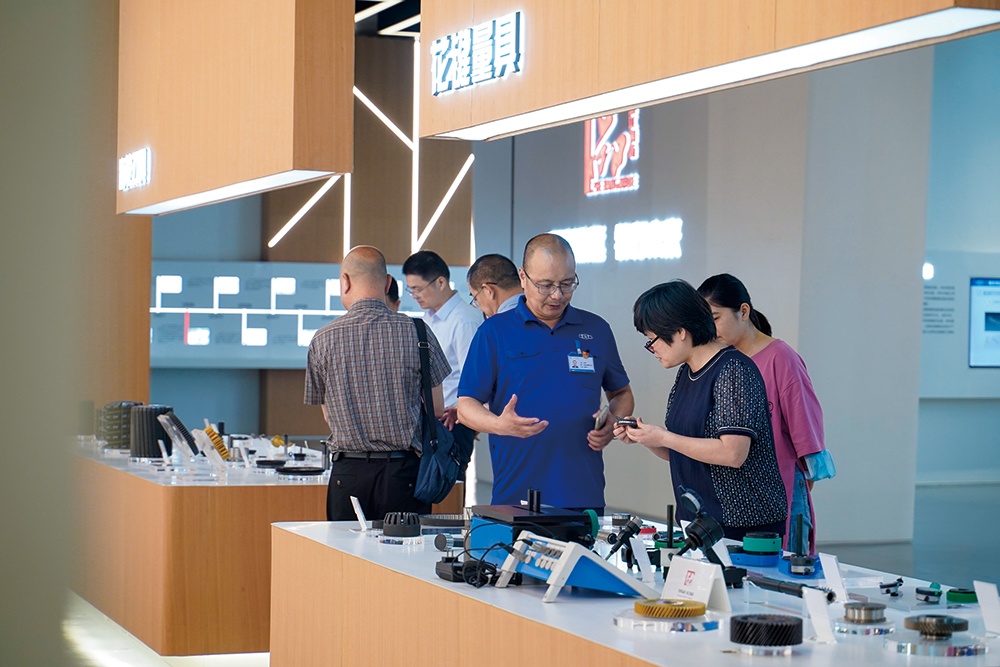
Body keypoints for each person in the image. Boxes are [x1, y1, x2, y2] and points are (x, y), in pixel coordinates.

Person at [457, 234, 634, 513]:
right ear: (523, 277)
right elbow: (466, 406)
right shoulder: (494, 332)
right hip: (515, 495)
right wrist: (499, 425)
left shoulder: (596, 329)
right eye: (546, 285)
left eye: (567, 284)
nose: (557, 295)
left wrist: (612, 423)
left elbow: (621, 393)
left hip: (582, 495)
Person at [615, 279, 787, 541]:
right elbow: (683, 452)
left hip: (742, 526)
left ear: (680, 331)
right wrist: (646, 438)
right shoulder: (686, 373)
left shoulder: (733, 370)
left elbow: (732, 453)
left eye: (653, 340)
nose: (652, 349)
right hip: (699, 523)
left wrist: (663, 437)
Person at [305, 246, 450, 521]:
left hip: (347, 474)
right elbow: (438, 408)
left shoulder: (322, 339)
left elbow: (327, 415)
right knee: (403, 548)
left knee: (344, 548)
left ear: (345, 282)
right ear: (387, 283)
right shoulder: (418, 332)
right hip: (404, 475)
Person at [697, 273, 834, 553]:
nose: (711, 329)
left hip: (781, 491)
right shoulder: (723, 362)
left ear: (743, 311)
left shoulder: (780, 357)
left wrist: (793, 488)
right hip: (736, 499)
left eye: (716, 318)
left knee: (782, 567)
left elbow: (805, 427)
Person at [402, 250, 482, 478]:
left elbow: (474, 379)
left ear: (440, 282)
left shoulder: (464, 320)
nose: (414, 296)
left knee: (447, 489)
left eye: (418, 289)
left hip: (452, 423)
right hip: (430, 424)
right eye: (410, 290)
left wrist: (467, 417)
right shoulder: (428, 318)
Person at [467, 253, 523, 318]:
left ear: (488, 291)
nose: (479, 308)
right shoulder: (532, 311)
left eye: (476, 299)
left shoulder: (495, 323)